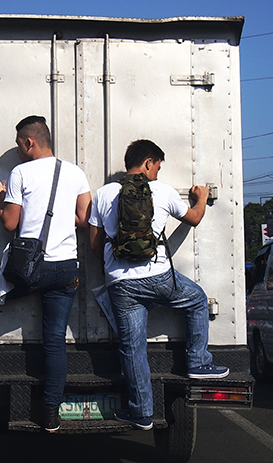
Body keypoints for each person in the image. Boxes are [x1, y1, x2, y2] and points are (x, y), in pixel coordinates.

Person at [0, 115, 91, 433]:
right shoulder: (75, 172)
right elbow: (83, 218)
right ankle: (50, 415)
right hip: (66, 268)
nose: (18, 150)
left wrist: (1, 193)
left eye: (18, 144)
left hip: (32, 268)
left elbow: (10, 223)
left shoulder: (21, 173)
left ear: (29, 142)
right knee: (54, 340)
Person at [88, 139, 229, 430]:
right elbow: (195, 218)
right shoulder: (162, 192)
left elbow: (93, 246)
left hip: (120, 284)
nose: (157, 173)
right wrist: (201, 196)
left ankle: (141, 413)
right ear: (149, 162)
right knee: (197, 299)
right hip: (158, 277)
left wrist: (117, 271)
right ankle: (198, 362)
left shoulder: (102, 195)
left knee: (132, 347)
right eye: (158, 167)